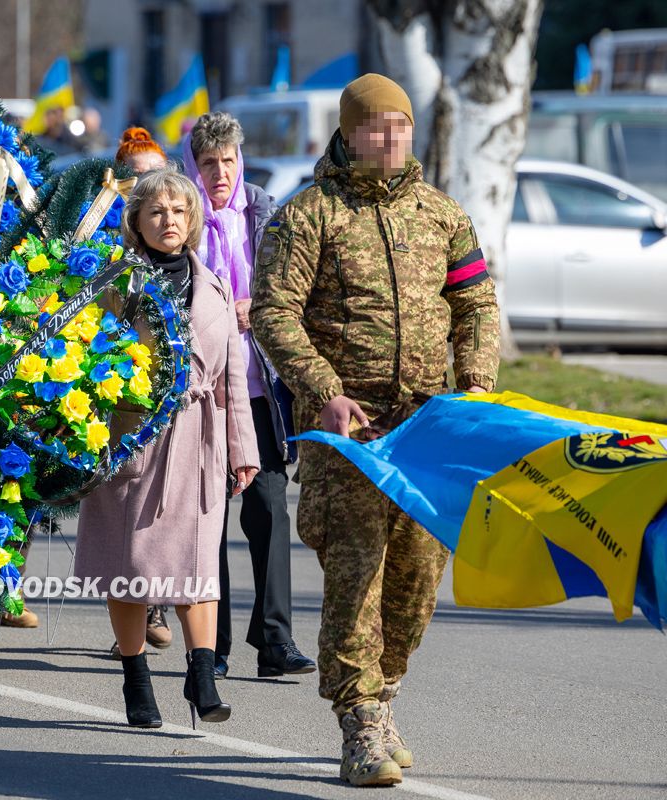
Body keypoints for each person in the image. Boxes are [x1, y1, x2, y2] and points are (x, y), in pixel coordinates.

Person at [250, 73, 500, 787]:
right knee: (356, 575)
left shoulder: (440, 213)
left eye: (401, 128)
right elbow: (273, 313)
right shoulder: (308, 216)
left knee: (418, 576)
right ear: (348, 131)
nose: (390, 141)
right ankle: (358, 723)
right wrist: (323, 391)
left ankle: (384, 698)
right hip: (346, 433)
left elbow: (476, 300)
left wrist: (476, 382)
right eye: (376, 128)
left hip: (428, 430)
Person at [75, 167, 259, 730]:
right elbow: (83, 363)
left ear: (193, 220)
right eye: (156, 212)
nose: (168, 220)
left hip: (199, 445)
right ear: (136, 222)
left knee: (200, 566)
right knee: (129, 568)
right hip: (133, 439)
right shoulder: (116, 283)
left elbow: (232, 379)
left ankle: (202, 676)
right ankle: (135, 678)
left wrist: (241, 449)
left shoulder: (215, 288)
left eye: (178, 211)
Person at [182, 111, 315, 681]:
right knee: (208, 517)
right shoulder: (177, 213)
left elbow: (297, 288)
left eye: (228, 162)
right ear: (194, 165)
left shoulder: (265, 214)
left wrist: (257, 307)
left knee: (267, 508)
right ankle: (214, 645)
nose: (220, 174)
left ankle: (275, 640)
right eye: (209, 163)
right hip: (199, 393)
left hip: (259, 389)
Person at [98, 125, 170, 653]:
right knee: (125, 502)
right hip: (117, 387)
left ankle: (158, 603)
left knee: (164, 506)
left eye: (157, 176)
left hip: (172, 391)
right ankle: (133, 611)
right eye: (137, 177)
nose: (148, 187)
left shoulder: (179, 222)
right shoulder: (101, 228)